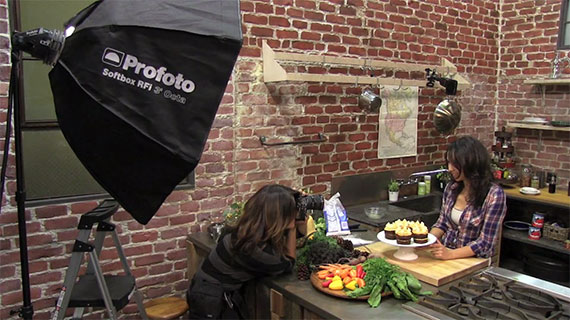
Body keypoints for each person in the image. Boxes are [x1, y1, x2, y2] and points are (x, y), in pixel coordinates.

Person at [187, 184, 305, 319]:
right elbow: (288, 263)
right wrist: (292, 227)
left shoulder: (245, 233)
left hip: (203, 291)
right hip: (211, 301)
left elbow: (276, 238)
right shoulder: (255, 251)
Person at [427, 136, 506, 260]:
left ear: (471, 163)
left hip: (473, 262)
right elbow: (442, 223)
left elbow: (485, 242)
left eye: (455, 164)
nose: (450, 168)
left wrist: (451, 254)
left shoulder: (494, 195)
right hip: (446, 258)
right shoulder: (451, 188)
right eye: (448, 162)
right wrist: (427, 240)